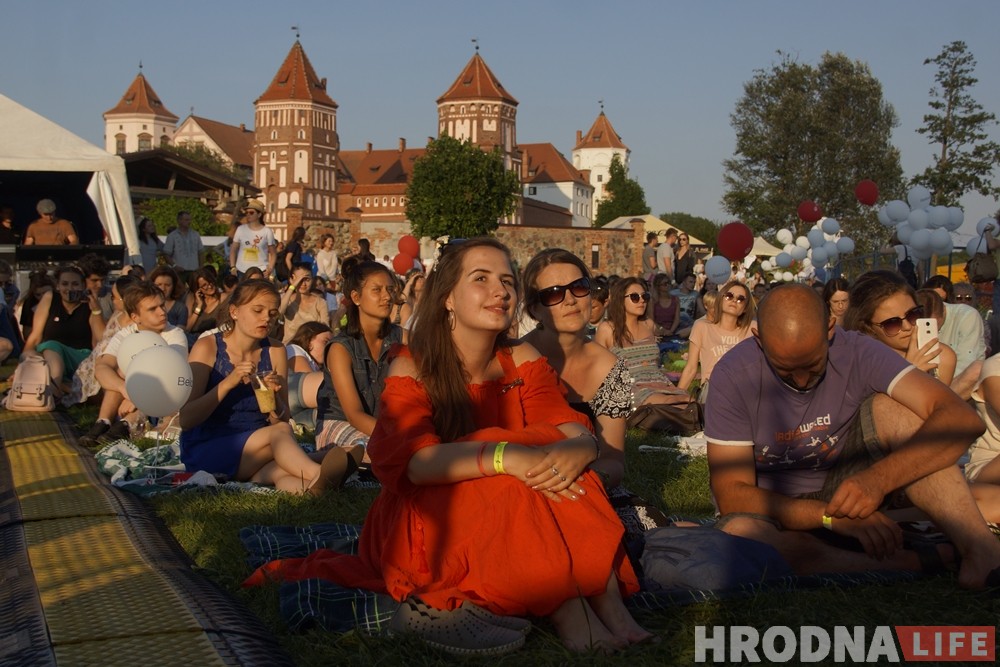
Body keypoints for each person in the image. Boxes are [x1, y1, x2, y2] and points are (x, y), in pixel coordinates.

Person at [246, 238, 650, 655]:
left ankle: (610, 607)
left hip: (519, 494)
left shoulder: (521, 357)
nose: (501, 291)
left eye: (508, 281)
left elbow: (566, 425)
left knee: (562, 468)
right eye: (481, 279)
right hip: (426, 517)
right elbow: (418, 463)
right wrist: (503, 455)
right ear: (448, 298)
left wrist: (582, 448)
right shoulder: (412, 364)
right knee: (509, 464)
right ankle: (574, 614)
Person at [705, 283, 1000, 590]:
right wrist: (830, 517)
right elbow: (732, 494)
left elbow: (960, 418)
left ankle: (982, 552)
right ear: (759, 339)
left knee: (895, 408)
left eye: (811, 365)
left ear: (830, 329)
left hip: (848, 485)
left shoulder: (858, 350)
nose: (802, 381)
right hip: (774, 508)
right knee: (742, 532)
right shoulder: (733, 375)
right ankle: (911, 561)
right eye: (785, 371)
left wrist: (877, 480)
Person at [179, 279, 356, 494]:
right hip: (209, 446)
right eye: (258, 310)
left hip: (257, 447)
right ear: (234, 311)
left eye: (272, 314)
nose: (266, 319)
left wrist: (274, 399)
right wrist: (228, 383)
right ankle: (320, 474)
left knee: (278, 471)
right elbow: (187, 419)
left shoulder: (275, 350)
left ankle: (313, 490)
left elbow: (281, 418)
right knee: (278, 434)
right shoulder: (208, 346)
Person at [521, 249, 632, 490]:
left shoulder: (610, 369)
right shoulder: (516, 359)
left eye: (579, 287)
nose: (570, 299)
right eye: (553, 294)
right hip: (522, 482)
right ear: (534, 309)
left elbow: (613, 460)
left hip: (586, 484)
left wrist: (578, 483)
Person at [314, 257, 403, 450]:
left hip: (384, 426)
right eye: (377, 290)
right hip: (341, 423)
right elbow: (354, 414)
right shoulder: (341, 348)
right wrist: (396, 437)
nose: (387, 297)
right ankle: (316, 462)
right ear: (356, 297)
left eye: (390, 289)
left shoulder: (401, 336)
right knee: (379, 450)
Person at [88, 281, 189, 443]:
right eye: (152, 309)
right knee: (120, 371)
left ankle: (125, 425)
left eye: (162, 306)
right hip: (130, 396)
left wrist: (135, 396)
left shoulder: (175, 335)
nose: (162, 312)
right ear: (135, 317)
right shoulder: (125, 334)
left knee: (135, 374)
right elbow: (102, 367)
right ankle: (103, 422)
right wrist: (125, 389)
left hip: (163, 397)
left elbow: (169, 375)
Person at [842, 270, 956, 385]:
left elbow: (935, 402)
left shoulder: (941, 356)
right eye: (892, 323)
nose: (907, 326)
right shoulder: (857, 364)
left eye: (913, 314)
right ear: (868, 328)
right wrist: (908, 375)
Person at [594, 277, 692, 407]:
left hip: (660, 383)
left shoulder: (649, 325)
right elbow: (597, 369)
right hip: (631, 387)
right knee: (671, 402)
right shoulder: (607, 329)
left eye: (644, 296)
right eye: (634, 297)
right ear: (620, 300)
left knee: (689, 401)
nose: (641, 301)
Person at [21, 265, 103, 394]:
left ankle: (53, 389)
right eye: (65, 284)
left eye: (75, 284)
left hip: (79, 357)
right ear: (58, 286)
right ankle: (62, 386)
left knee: (52, 345)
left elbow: (99, 340)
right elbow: (35, 336)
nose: (70, 288)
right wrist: (23, 361)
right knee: (30, 355)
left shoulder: (90, 304)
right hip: (49, 356)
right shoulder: (50, 298)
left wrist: (96, 311)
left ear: (83, 286)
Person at [65, 274, 138, 411]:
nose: (112, 301)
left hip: (113, 367)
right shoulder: (118, 314)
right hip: (94, 364)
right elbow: (102, 337)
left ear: (125, 299)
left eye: (114, 297)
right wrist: (96, 310)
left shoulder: (137, 323)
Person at [677, 279, 755, 403]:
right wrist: (676, 398)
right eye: (729, 296)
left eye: (740, 299)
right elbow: (691, 368)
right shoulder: (702, 326)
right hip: (712, 392)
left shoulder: (752, 329)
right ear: (720, 299)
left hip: (744, 393)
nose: (734, 300)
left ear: (745, 308)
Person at [285, 321, 333, 428]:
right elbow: (310, 383)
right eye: (326, 342)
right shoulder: (294, 349)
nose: (330, 348)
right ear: (309, 339)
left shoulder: (317, 365)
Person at [280, 262, 329, 344]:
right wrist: (293, 285)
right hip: (290, 346)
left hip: (312, 346)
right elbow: (280, 311)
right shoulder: (286, 299)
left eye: (307, 279)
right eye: (300, 279)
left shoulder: (320, 302)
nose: (303, 284)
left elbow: (325, 327)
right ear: (291, 279)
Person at [230, 200, 276, 279]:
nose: (248, 215)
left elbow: (273, 254)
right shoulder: (240, 229)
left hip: (260, 271)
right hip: (241, 271)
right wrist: (233, 267)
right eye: (246, 213)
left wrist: (270, 269)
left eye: (251, 213)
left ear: (259, 214)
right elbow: (233, 250)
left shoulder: (267, 231)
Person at [186, 268, 225, 345]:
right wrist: (199, 306)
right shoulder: (191, 299)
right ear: (198, 289)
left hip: (213, 339)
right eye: (204, 285)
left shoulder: (222, 298)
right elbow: (187, 328)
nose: (209, 286)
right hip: (193, 339)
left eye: (210, 282)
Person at [163, 210, 205, 280]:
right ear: (179, 221)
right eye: (186, 220)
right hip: (179, 271)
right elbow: (166, 254)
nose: (189, 222)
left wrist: (201, 266)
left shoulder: (195, 234)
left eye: (189, 220)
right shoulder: (172, 236)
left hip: (194, 270)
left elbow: (201, 252)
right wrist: (174, 266)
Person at [150, 265, 189, 329]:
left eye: (167, 285)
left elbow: (180, 331)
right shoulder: (145, 305)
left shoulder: (180, 308)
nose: (163, 288)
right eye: (159, 285)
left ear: (174, 286)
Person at [649, 272, 681, 338]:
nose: (668, 285)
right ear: (658, 286)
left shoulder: (675, 299)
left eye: (668, 283)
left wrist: (671, 331)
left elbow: (677, 319)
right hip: (658, 329)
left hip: (673, 329)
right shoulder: (653, 301)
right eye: (665, 284)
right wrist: (663, 330)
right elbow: (651, 320)